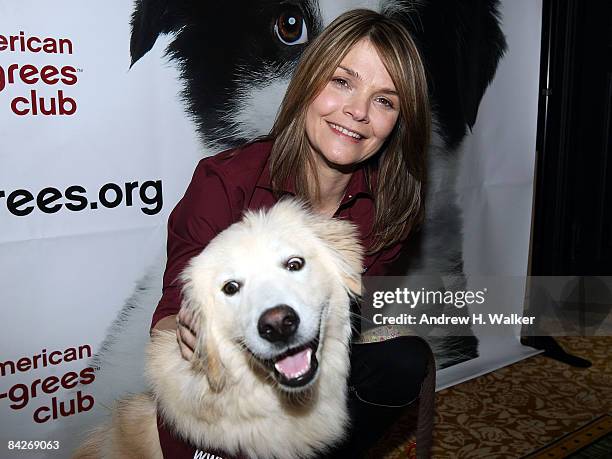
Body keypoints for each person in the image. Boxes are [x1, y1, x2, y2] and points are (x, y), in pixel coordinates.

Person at [151, 8, 432, 458]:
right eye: (342, 81)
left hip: (313, 363)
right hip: (231, 382)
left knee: (403, 361)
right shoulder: (224, 182)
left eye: (385, 100)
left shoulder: (388, 208)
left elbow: (347, 315)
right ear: (308, 81)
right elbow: (170, 315)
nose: (357, 111)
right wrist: (187, 328)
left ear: (398, 122)